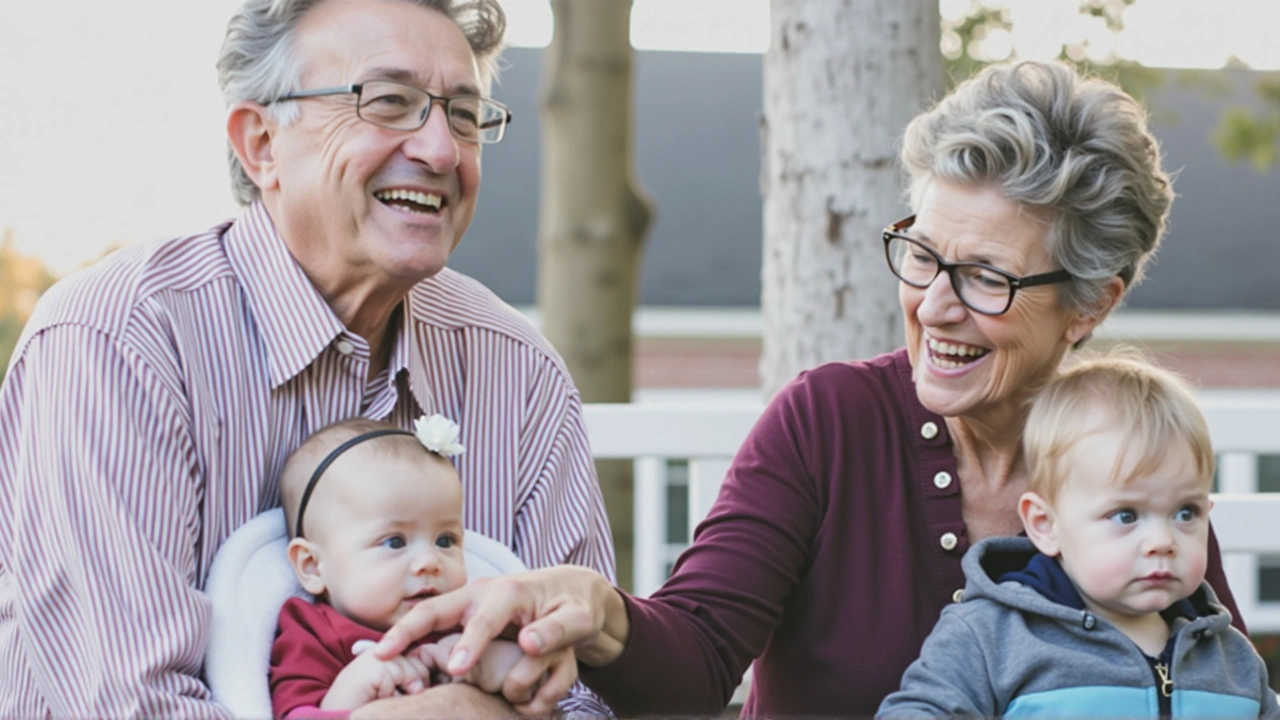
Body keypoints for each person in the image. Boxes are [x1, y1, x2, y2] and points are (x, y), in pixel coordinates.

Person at [373, 59, 1250, 717]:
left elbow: (1223, 675)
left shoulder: (1136, 462)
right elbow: (700, 655)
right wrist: (602, 612)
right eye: (924, 255)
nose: (933, 305)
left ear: (1091, 302)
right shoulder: (832, 421)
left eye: (986, 276)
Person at [0, 0, 614, 717]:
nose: (442, 151)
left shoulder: (518, 369)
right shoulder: (118, 341)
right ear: (261, 143)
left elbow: (588, 689)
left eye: (464, 115)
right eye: (390, 102)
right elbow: (134, 704)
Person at [877, 354, 1280, 718]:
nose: (1162, 540)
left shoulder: (1230, 659)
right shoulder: (993, 638)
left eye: (1185, 512)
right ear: (1044, 525)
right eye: (1126, 515)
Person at [270, 415, 549, 719]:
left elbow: (545, 700)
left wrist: (501, 664)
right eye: (394, 542)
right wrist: (349, 693)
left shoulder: (473, 624)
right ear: (312, 566)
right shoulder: (314, 633)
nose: (430, 562)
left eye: (445, 540)